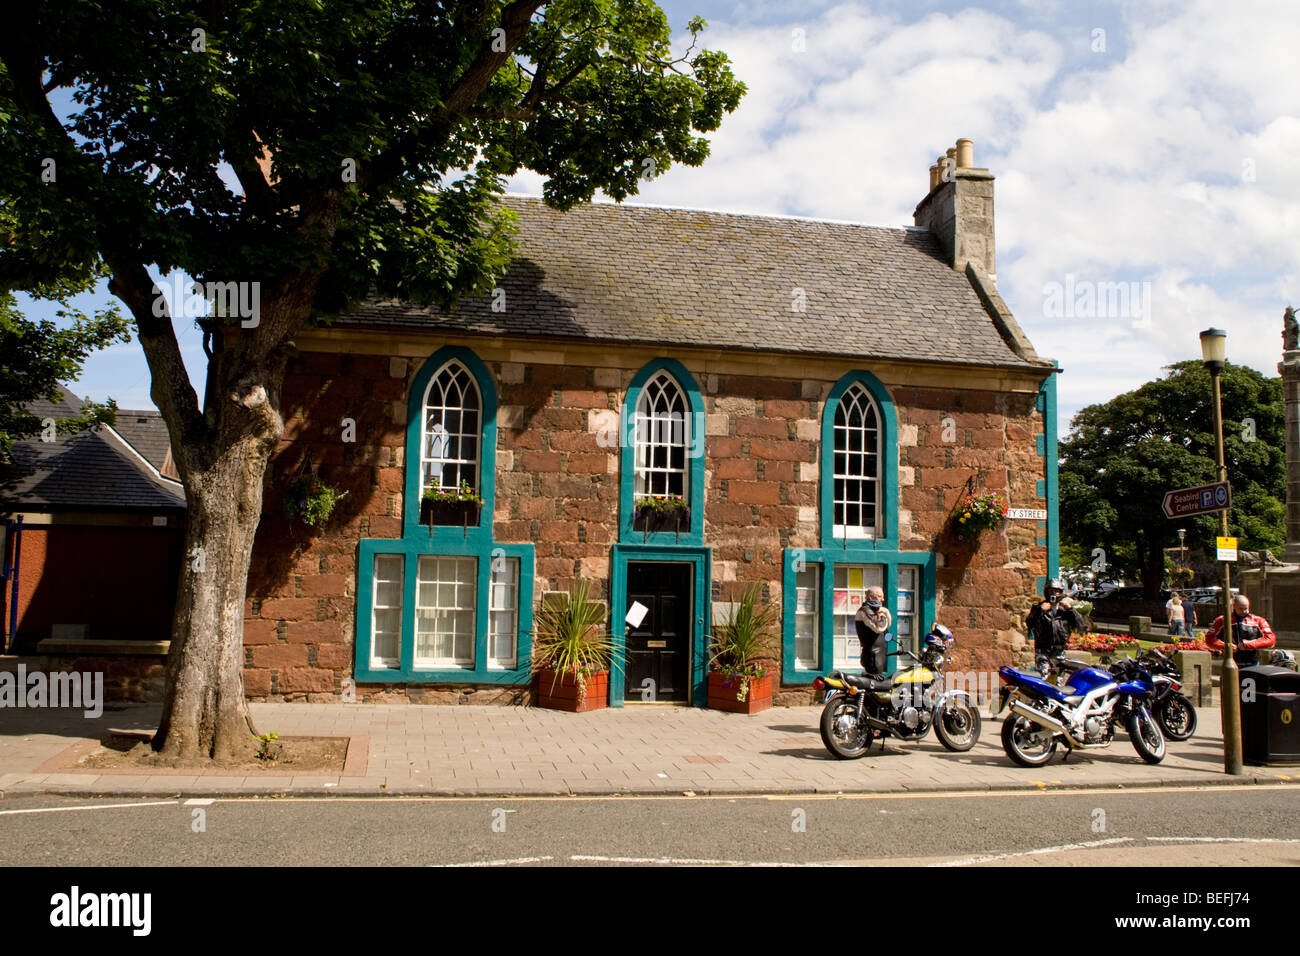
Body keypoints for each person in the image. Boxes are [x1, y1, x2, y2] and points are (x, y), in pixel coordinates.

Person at [1027, 578, 1084, 671]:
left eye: (1057, 591)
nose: (1054, 594)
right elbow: (1030, 623)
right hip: (1043, 650)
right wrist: (1040, 611)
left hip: (1059, 651)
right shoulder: (1038, 608)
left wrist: (1071, 610)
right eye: (1051, 590)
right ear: (1047, 591)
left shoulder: (1065, 611)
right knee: (1044, 677)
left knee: (1058, 681)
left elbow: (1080, 624)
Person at [1205, 594, 1276, 666]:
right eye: (1240, 609)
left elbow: (1270, 640)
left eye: (1246, 608)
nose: (1244, 611)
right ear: (1234, 607)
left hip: (1252, 661)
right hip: (1231, 661)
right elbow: (1209, 639)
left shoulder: (1258, 620)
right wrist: (1226, 646)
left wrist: (1247, 645)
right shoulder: (1222, 620)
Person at [855, 586, 892, 677]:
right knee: (875, 685)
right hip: (872, 656)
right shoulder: (864, 611)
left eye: (883, 596)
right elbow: (879, 627)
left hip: (878, 655)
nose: (883, 599)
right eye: (880, 596)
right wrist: (884, 615)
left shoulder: (875, 611)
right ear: (871, 597)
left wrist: (886, 613)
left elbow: (888, 625)